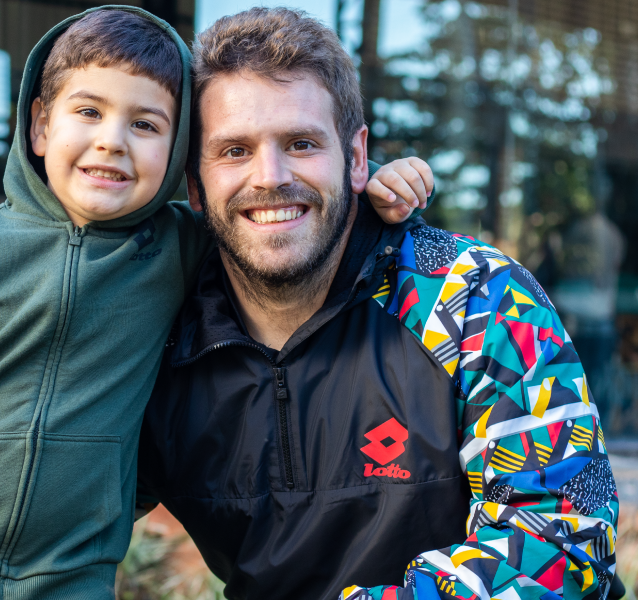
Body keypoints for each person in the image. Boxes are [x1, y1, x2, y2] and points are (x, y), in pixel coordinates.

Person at [0, 7, 436, 599]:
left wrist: (369, 189)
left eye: (146, 124)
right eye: (88, 112)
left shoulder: (183, 250)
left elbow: (277, 220)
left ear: (178, 153)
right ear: (41, 123)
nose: (112, 141)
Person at [134, 8, 619, 600]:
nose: (270, 176)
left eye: (302, 143)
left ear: (357, 157)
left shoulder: (477, 299)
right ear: (195, 187)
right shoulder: (160, 339)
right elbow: (50, 513)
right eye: (234, 151)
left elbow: (565, 543)